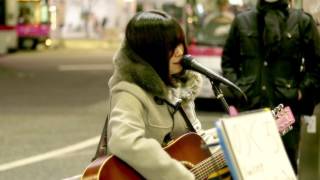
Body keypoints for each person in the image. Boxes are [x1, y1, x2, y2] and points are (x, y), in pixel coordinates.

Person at [93, 10, 215, 179]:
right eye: (170, 47)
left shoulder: (180, 86)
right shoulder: (129, 91)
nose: (180, 52)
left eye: (180, 43)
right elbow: (124, 141)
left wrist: (227, 149)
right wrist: (179, 176)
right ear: (150, 52)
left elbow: (196, 138)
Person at [221, 0, 320, 173]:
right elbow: (229, 61)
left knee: (284, 165)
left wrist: (301, 90)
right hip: (250, 106)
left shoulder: (301, 21)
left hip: (285, 108)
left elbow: (317, 65)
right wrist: (239, 88)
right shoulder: (242, 20)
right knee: (249, 166)